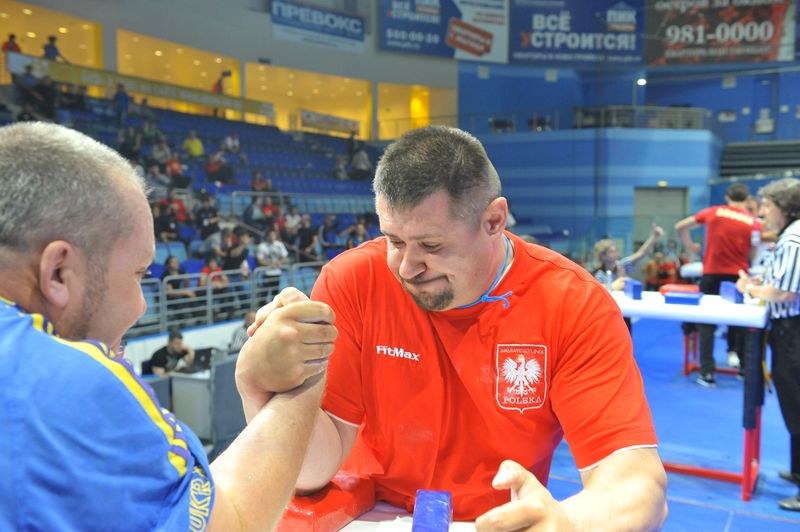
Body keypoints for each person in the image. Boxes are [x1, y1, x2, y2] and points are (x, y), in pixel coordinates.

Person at [247, 126, 668, 526]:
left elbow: (636, 481)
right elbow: (314, 469)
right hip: (366, 516)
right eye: (394, 240)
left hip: (493, 523)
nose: (407, 267)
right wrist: (261, 386)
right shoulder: (353, 280)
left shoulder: (572, 303)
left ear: (493, 220)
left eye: (431, 245)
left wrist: (573, 523)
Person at [0, 122, 337, 530]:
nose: (142, 306)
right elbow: (229, 523)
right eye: (139, 274)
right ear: (58, 272)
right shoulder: (63, 378)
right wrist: (309, 364)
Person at [735, 178, 800, 512]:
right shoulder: (790, 237)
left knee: (797, 404)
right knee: (793, 403)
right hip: (788, 329)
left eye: (767, 206)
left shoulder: (793, 238)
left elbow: (786, 293)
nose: (762, 212)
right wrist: (761, 283)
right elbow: (783, 281)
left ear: (784, 208)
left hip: (792, 330)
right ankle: (798, 470)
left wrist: (751, 289)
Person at [676, 183, 762, 386]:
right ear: (747, 199)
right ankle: (743, 368)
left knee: (706, 322)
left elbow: (680, 226)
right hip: (738, 276)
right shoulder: (754, 222)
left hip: (712, 273)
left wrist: (691, 246)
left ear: (727, 197)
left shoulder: (714, 212)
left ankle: (707, 372)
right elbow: (754, 253)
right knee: (740, 322)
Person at [591, 223, 664, 291]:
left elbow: (641, 253)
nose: (616, 253)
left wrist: (654, 237)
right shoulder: (599, 275)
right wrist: (620, 279)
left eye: (616, 250)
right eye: (611, 252)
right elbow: (603, 292)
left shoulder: (622, 265)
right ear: (603, 256)